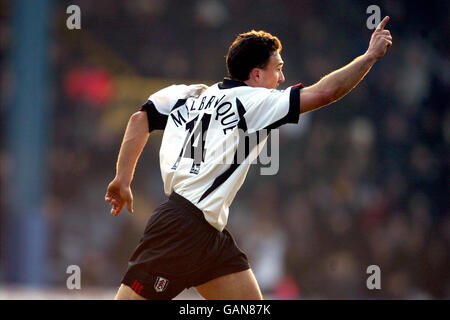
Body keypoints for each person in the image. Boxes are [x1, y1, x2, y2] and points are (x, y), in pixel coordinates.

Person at [105, 16, 392, 300]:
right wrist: (369, 57)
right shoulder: (255, 101)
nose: (280, 78)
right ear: (256, 74)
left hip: (207, 232)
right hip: (182, 227)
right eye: (277, 69)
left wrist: (122, 179)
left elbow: (139, 118)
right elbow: (326, 92)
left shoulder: (189, 95)